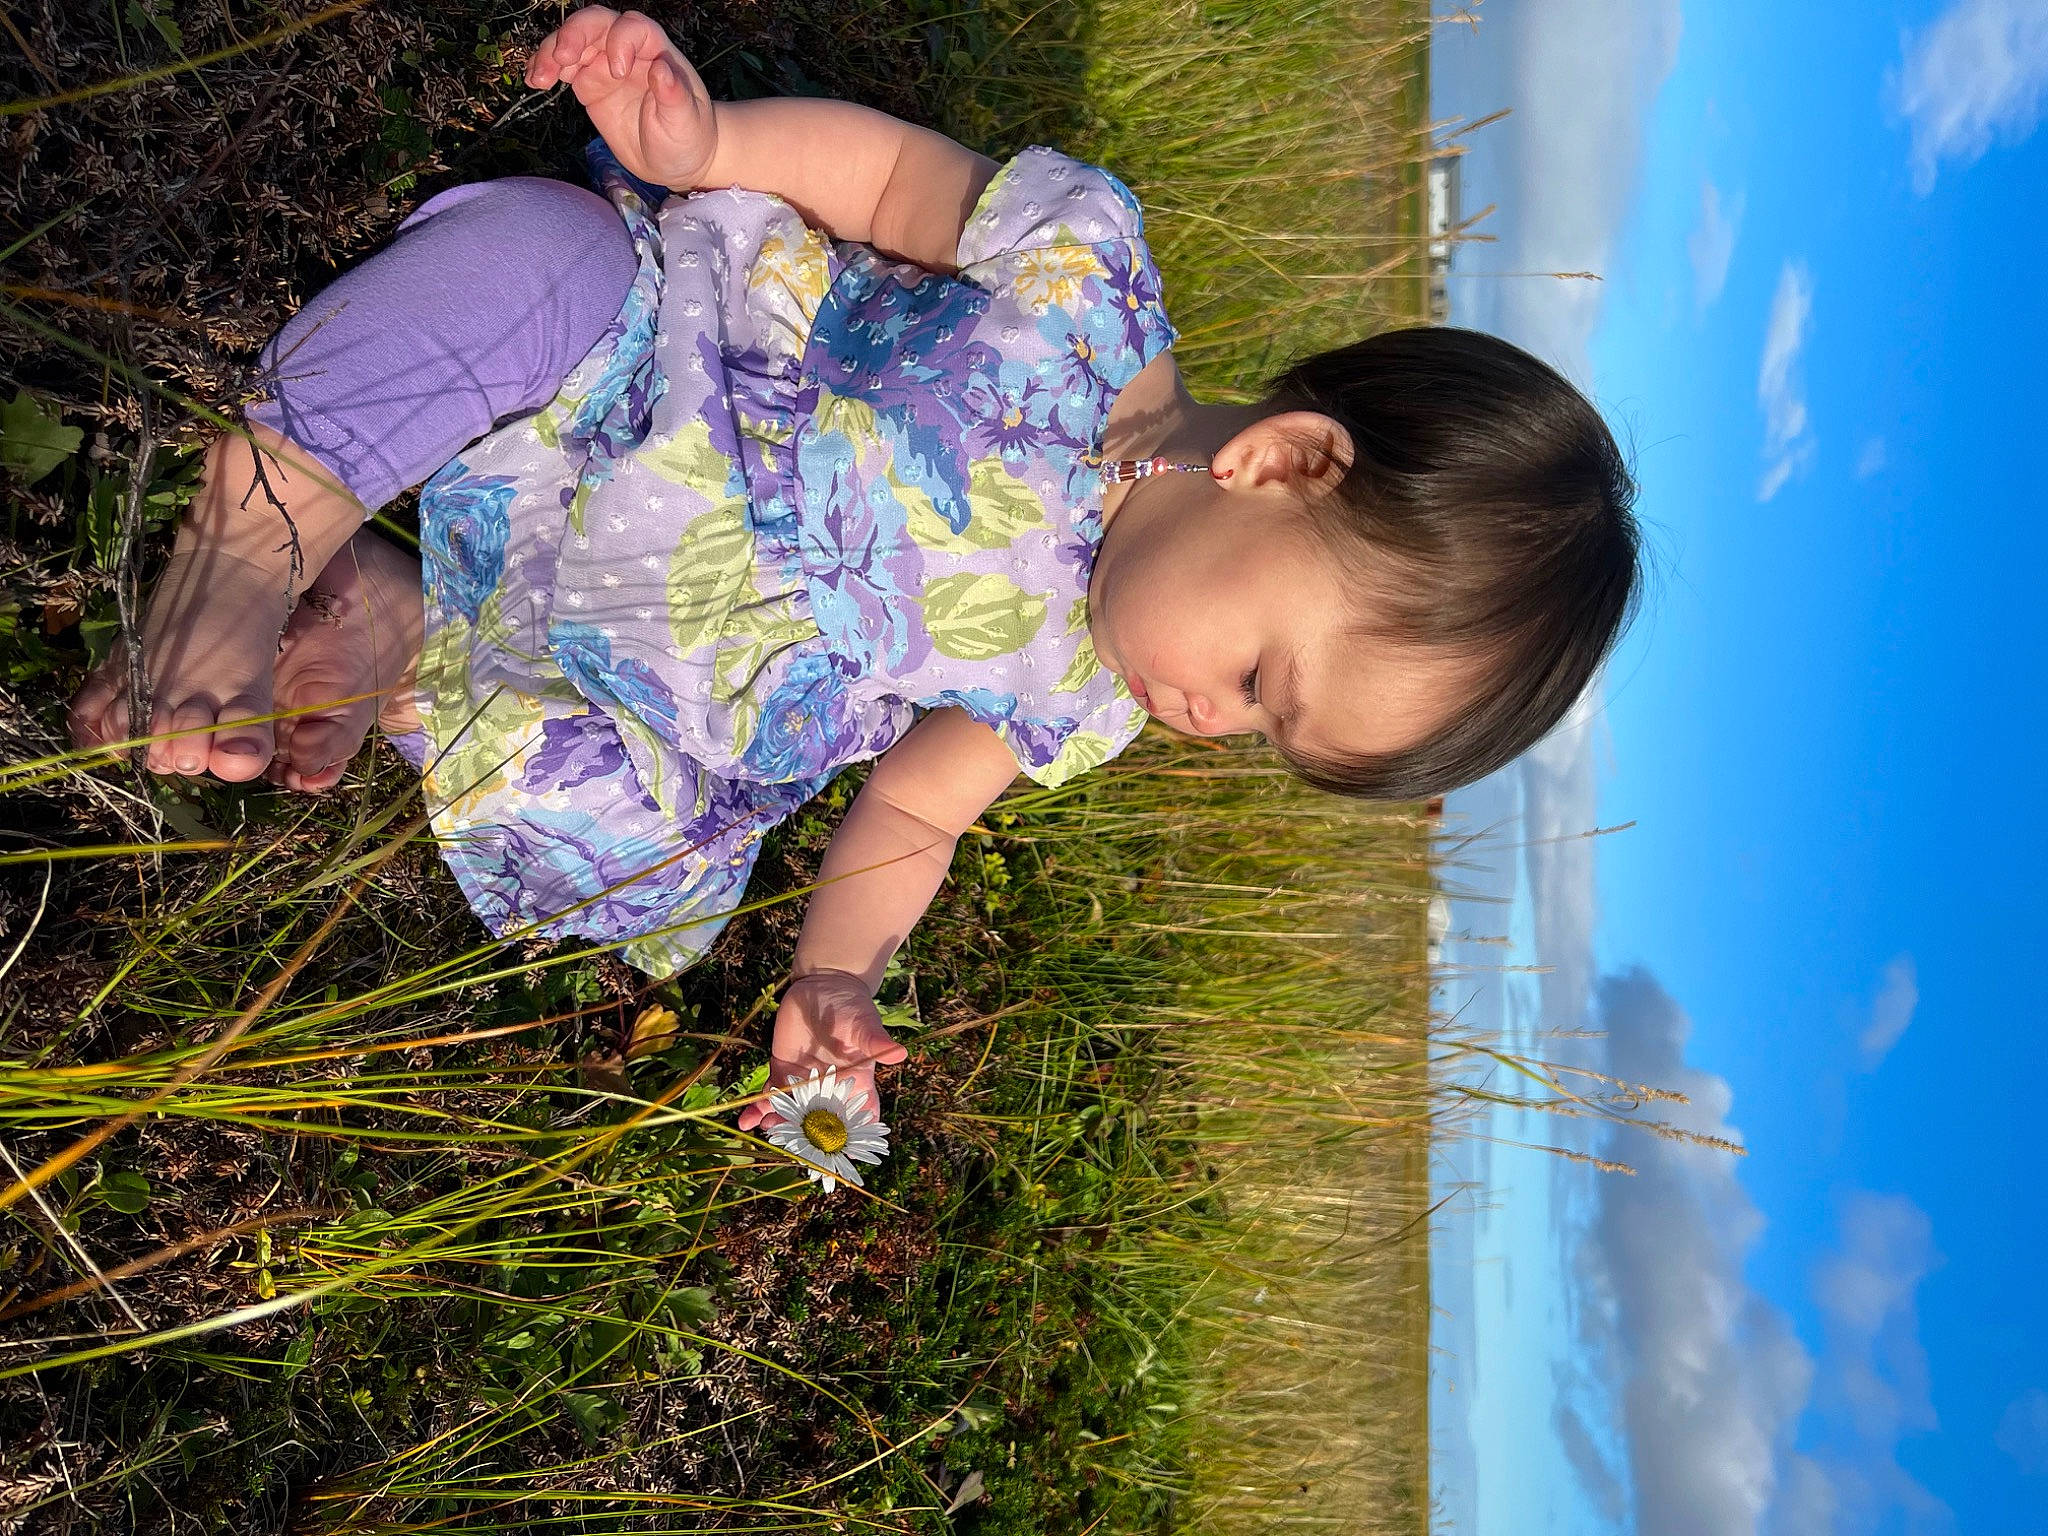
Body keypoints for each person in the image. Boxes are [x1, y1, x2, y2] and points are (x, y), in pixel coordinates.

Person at [68, 6, 1642, 1135]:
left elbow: (909, 808)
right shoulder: (1086, 278)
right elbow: (896, 185)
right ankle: (254, 535)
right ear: (1282, 465)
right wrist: (713, 142)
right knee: (538, 255)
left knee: (626, 852)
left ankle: (414, 655)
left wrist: (835, 970)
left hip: (650, 674)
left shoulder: (1079, 700)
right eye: (1261, 680)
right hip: (635, 390)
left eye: (1263, 739)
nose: (1211, 723)